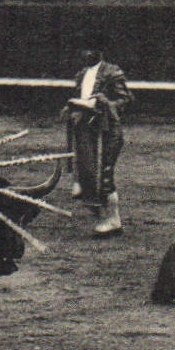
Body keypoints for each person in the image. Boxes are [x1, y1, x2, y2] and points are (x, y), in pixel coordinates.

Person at [62, 48, 132, 237]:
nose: (86, 54)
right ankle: (110, 219)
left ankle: (110, 220)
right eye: (83, 50)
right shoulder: (81, 74)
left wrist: (105, 102)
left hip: (107, 130)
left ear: (100, 52)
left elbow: (125, 100)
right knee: (87, 176)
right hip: (86, 131)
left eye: (90, 50)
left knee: (104, 175)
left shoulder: (112, 72)